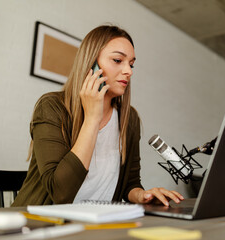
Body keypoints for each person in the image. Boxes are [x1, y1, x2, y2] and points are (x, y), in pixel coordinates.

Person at [12, 25, 184, 207]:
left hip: (96, 225)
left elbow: (130, 184)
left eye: (131, 64)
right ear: (91, 63)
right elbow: (60, 192)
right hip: (38, 226)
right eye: (118, 60)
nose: (129, 71)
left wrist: (142, 195)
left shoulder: (129, 119)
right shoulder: (52, 107)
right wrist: (92, 118)